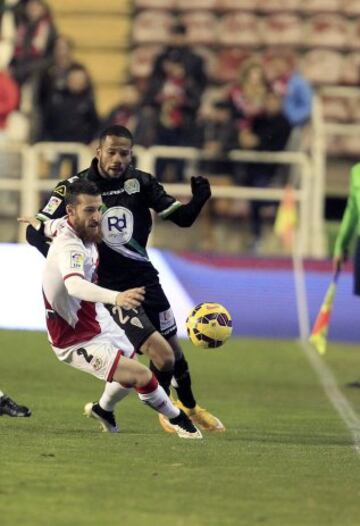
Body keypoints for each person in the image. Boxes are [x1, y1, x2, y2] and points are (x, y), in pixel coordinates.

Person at [26, 124, 225, 434]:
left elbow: (181, 218)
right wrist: (66, 262)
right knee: (158, 353)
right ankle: (167, 413)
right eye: (112, 152)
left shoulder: (140, 181)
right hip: (110, 288)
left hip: (145, 278)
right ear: (98, 152)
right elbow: (34, 230)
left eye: (124, 153)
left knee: (173, 352)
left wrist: (200, 199)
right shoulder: (74, 187)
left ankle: (188, 406)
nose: (118, 159)